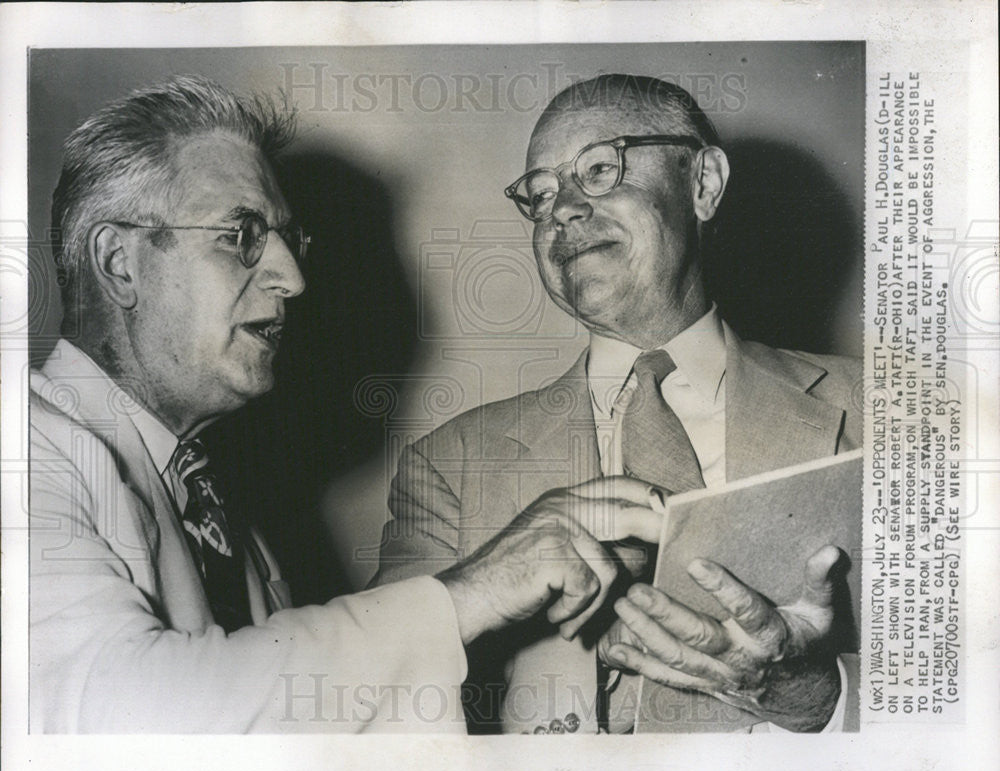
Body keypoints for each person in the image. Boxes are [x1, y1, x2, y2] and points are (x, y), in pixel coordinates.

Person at [28, 75, 665, 733]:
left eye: (288, 240)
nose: (292, 278)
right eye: (240, 233)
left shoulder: (226, 515)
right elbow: (113, 714)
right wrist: (469, 595)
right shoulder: (23, 452)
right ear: (119, 262)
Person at [374, 74, 863, 734]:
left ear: (704, 184)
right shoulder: (449, 466)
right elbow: (373, 709)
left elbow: (967, 691)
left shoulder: (882, 414)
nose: (564, 210)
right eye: (540, 195)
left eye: (599, 169)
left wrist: (815, 696)